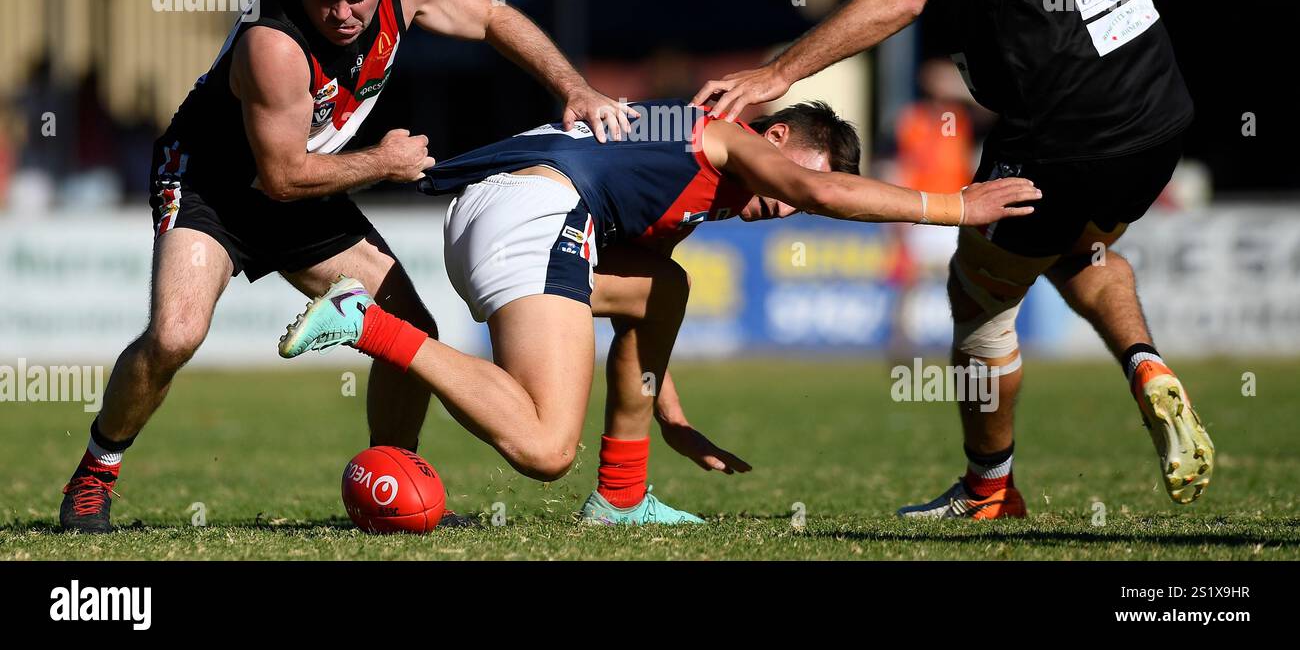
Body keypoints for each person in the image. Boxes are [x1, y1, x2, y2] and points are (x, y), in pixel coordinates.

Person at [692, 0, 1212, 518]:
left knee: (976, 296)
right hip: (1157, 108)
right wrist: (1093, 52)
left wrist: (778, 74)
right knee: (1080, 248)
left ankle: (988, 488)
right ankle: (1146, 367)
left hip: (1066, 129)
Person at [59, 0, 633, 533]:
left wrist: (573, 87)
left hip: (300, 183)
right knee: (174, 335)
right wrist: (384, 162)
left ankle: (389, 481)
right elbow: (279, 178)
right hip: (213, 188)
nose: (342, 13)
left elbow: (494, 19)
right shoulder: (271, 45)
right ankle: (96, 470)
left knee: (408, 328)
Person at [278, 98, 1039, 524]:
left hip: (506, 207)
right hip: (533, 211)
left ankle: (621, 494)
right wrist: (954, 205)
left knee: (664, 288)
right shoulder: (727, 140)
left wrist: (668, 412)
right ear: (774, 137)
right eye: (789, 176)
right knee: (545, 450)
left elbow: (644, 311)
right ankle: (366, 321)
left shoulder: (677, 154)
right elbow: (826, 191)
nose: (782, 206)